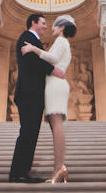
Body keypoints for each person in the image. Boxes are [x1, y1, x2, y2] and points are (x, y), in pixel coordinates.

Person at [8, 13, 65, 183]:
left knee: (31, 133)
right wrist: (52, 70)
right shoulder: (26, 37)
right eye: (43, 23)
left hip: (33, 94)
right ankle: (17, 173)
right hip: (29, 93)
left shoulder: (33, 41)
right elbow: (32, 60)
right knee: (27, 133)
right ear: (33, 23)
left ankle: (23, 172)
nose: (46, 27)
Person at [21, 14, 76, 183]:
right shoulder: (61, 42)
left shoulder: (61, 41)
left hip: (55, 85)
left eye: (55, 25)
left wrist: (33, 49)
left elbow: (52, 59)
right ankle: (59, 168)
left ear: (62, 28)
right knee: (54, 125)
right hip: (54, 84)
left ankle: (59, 168)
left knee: (56, 123)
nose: (51, 28)